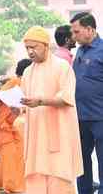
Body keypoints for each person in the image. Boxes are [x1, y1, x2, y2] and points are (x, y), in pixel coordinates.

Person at [20, 26, 83, 194]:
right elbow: (25, 101)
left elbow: (66, 98)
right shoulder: (27, 72)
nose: (30, 52)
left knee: (58, 177)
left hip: (58, 133)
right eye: (27, 48)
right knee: (36, 175)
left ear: (46, 46)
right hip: (35, 135)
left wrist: (40, 101)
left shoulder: (62, 67)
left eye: (34, 47)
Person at [0, 59, 31, 193]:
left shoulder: (23, 83)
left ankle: (14, 184)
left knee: (18, 151)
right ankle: (8, 185)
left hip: (8, 124)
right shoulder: (14, 82)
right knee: (9, 154)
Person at [71, 12, 103, 194]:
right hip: (80, 117)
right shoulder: (80, 51)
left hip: (100, 117)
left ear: (89, 29)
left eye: (77, 32)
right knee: (81, 161)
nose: (73, 36)